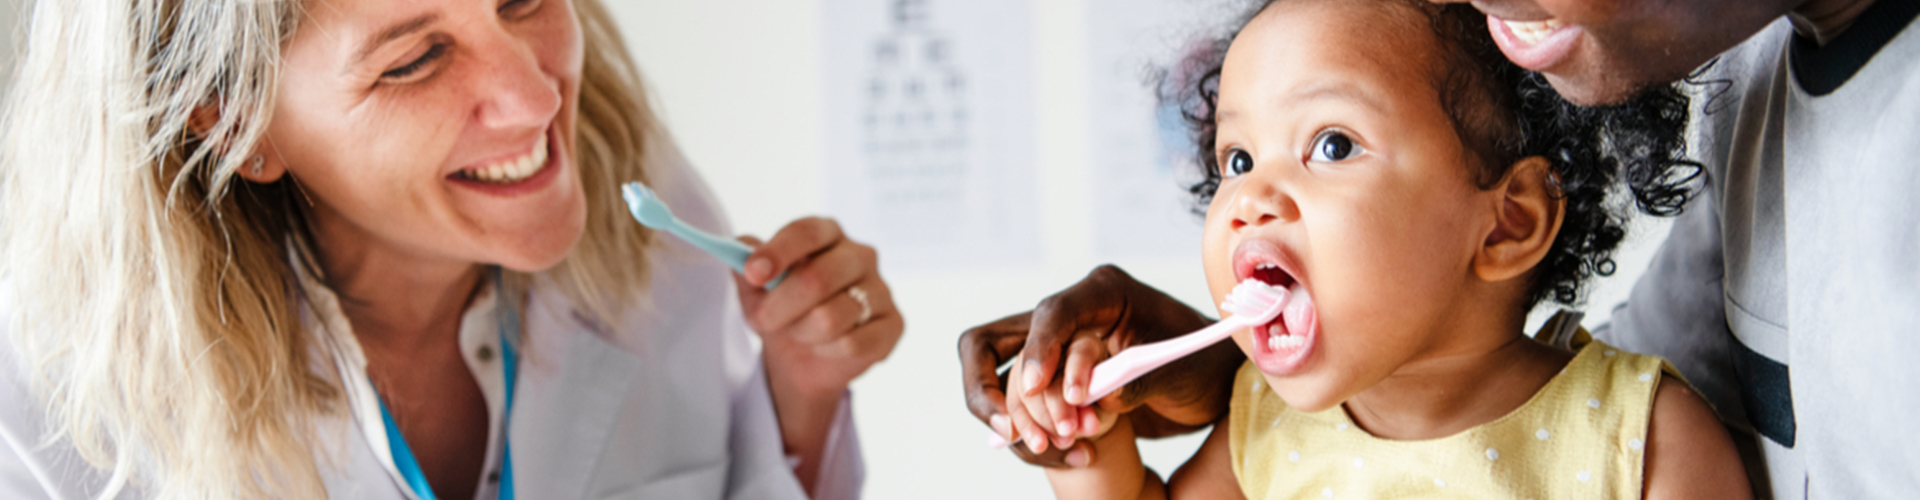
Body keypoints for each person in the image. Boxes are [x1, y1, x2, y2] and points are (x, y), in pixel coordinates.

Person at [962, 0, 1920, 496]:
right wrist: (1082, 443)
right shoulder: (1267, 433)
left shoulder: (1642, 444)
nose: (1250, 198)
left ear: (1505, 222)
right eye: (1238, 158)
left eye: (1331, 145)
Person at [0, 0, 902, 499]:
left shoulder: (652, 216)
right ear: (235, 123)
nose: (535, 100)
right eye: (415, 60)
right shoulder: (51, 401)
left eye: (521, 0)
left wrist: (801, 393)